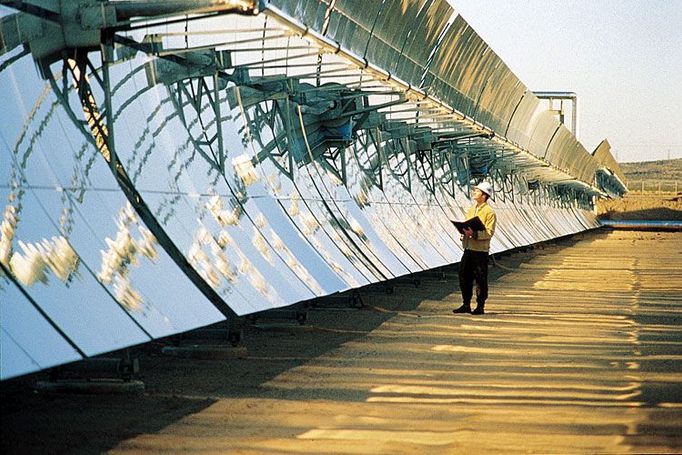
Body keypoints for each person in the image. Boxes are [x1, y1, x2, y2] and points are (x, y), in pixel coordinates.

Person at [453, 181, 496, 315]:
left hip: (480, 251)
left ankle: (480, 306)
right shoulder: (472, 210)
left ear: (484, 195)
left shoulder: (489, 213)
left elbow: (489, 232)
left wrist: (475, 234)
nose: (474, 192)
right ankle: (466, 303)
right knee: (464, 275)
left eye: (477, 191)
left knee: (480, 278)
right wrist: (463, 232)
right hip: (469, 248)